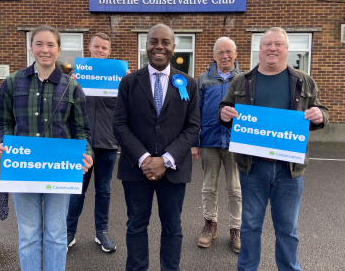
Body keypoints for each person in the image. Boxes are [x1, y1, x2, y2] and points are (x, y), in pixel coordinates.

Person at [218, 27, 328, 271]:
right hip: (252, 168)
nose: (272, 48)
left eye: (278, 44)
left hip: (289, 170)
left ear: (286, 50)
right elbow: (225, 109)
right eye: (267, 44)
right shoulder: (241, 80)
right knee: (250, 226)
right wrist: (224, 114)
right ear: (259, 49)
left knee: (288, 230)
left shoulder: (303, 81)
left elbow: (321, 111)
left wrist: (320, 115)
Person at [0, 25, 93, 271]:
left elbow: (81, 130)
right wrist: (5, 143)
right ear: (31, 47)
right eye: (39, 44)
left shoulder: (72, 87)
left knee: (57, 235)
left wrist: (86, 154)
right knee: (28, 235)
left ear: (59, 51)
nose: (44, 50)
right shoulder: (12, 83)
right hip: (22, 168)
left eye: (50, 45)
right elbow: (4, 122)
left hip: (59, 170)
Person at [113, 24, 200, 271]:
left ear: (173, 47)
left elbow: (192, 127)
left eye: (165, 42)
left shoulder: (188, 84)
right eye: (153, 41)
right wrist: (144, 158)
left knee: (172, 226)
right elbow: (119, 124)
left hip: (173, 170)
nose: (159, 46)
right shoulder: (129, 82)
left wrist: (166, 159)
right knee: (136, 225)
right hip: (136, 169)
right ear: (146, 45)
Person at [66, 33, 121, 253]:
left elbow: (125, 109)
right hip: (81, 143)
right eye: (96, 46)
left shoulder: (118, 77)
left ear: (109, 51)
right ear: (89, 48)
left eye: (104, 48)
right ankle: (69, 232)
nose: (100, 51)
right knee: (76, 190)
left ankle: (102, 232)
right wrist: (69, 86)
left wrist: (126, 83)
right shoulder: (76, 75)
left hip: (108, 143)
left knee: (104, 190)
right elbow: (66, 108)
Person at [192, 36, 242, 252]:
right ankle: (209, 226)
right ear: (214, 56)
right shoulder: (203, 80)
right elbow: (194, 114)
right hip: (209, 141)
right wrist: (195, 142)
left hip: (236, 144)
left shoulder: (245, 80)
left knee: (235, 189)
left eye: (228, 51)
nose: (225, 56)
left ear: (235, 54)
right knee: (208, 187)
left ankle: (236, 230)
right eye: (220, 52)